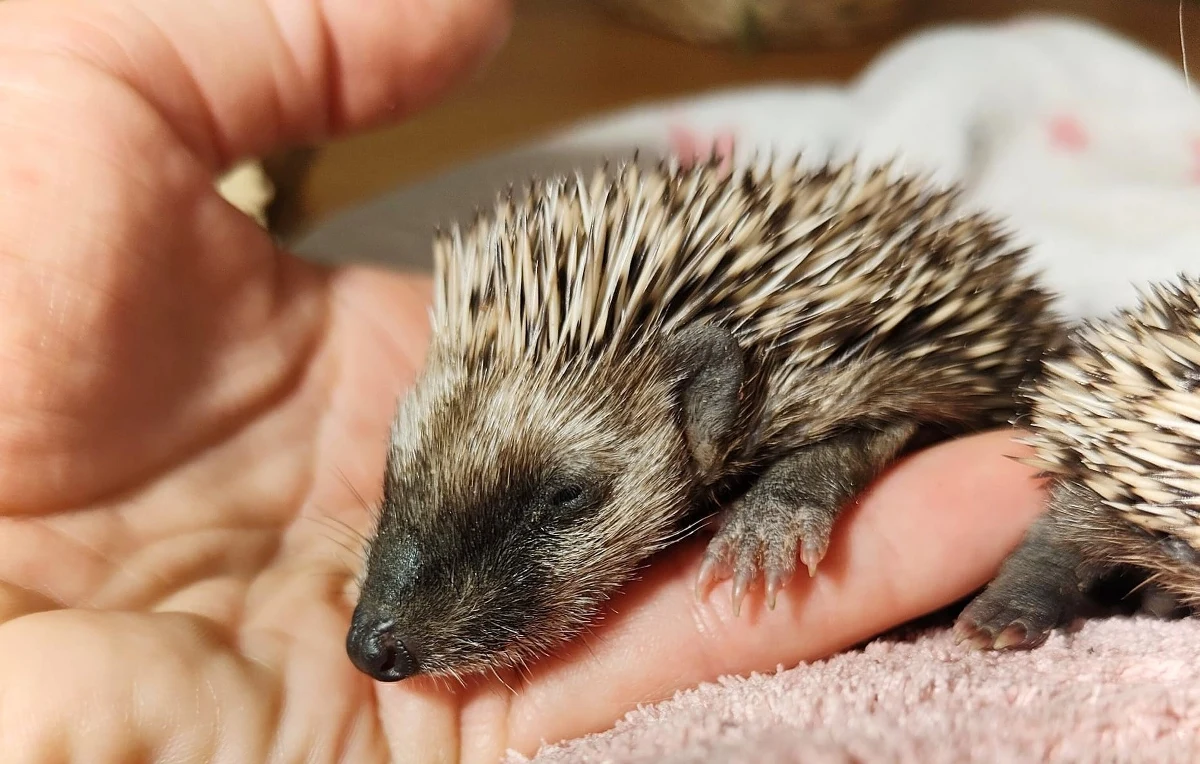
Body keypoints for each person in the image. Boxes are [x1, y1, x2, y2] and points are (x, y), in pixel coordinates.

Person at [0, 0, 1045, 760]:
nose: (381, 628)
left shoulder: (821, 357)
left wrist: (816, 475)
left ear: (706, 400)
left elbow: (942, 396)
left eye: (555, 502)